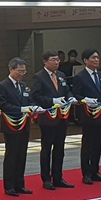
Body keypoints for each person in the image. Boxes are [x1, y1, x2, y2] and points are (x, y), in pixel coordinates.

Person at [73, 49, 101, 184]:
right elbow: (76, 95)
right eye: (93, 58)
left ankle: (95, 170)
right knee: (87, 144)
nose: (96, 60)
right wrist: (85, 100)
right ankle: (86, 173)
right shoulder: (80, 77)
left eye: (97, 57)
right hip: (88, 114)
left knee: (98, 144)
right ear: (85, 60)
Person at [32, 50, 76, 190]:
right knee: (47, 148)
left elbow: (66, 89)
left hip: (61, 116)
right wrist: (52, 101)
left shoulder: (61, 75)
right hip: (47, 118)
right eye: (53, 60)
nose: (56, 62)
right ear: (45, 62)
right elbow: (36, 96)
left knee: (60, 148)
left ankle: (58, 176)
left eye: (57, 60)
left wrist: (70, 97)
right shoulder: (39, 77)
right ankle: (46, 178)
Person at [0, 58, 41, 196]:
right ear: (11, 69)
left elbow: (30, 100)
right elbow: (4, 105)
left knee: (22, 155)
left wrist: (34, 107)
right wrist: (21, 109)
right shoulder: (3, 85)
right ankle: (9, 185)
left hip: (24, 125)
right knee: (12, 155)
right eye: (19, 71)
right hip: (11, 124)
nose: (22, 74)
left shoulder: (24, 86)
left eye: (24, 71)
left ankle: (20, 184)